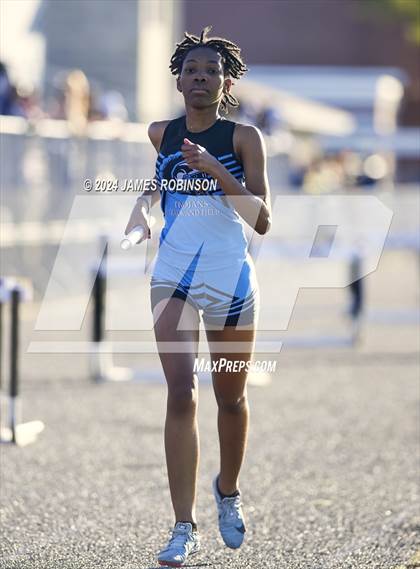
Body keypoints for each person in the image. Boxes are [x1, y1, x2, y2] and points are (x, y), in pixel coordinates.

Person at [125, 25, 271, 567]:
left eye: (211, 70)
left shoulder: (243, 138)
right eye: (191, 70)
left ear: (225, 81)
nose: (200, 78)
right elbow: (158, 184)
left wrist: (217, 171)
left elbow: (263, 219)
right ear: (178, 79)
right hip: (174, 278)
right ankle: (183, 526)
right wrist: (141, 210)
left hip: (229, 280)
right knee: (181, 393)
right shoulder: (160, 132)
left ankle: (227, 491)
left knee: (230, 399)